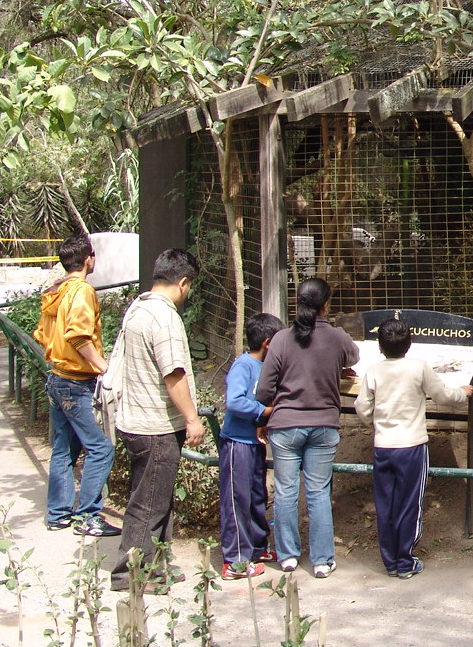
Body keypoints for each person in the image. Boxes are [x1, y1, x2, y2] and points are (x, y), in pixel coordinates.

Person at [109, 248, 205, 592]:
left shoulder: (139, 307)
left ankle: (157, 564)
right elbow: (174, 374)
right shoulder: (164, 318)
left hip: (135, 421)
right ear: (182, 282)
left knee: (154, 497)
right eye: (189, 286)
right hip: (155, 427)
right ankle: (131, 574)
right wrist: (192, 419)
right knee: (148, 503)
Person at [255, 277, 359, 579]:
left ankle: (287, 556)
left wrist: (263, 420)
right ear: (326, 305)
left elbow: (264, 389)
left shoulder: (282, 340)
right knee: (318, 492)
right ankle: (323, 560)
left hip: (285, 427)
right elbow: (354, 356)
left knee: (286, 491)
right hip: (324, 425)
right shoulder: (338, 337)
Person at [354, 315, 472, 579]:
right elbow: (442, 395)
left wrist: (375, 423)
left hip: (383, 446)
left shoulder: (373, 371)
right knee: (410, 503)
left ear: (380, 346)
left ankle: (390, 561)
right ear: (409, 343)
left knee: (385, 504)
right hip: (412, 446)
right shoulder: (419, 367)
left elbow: (362, 407)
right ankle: (406, 561)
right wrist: (463, 393)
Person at [34, 235, 120, 536]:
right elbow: (79, 335)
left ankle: (58, 513)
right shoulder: (81, 291)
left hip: (57, 376)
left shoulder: (55, 291)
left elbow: (42, 335)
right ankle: (88, 516)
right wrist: (103, 366)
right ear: (88, 259)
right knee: (100, 449)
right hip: (74, 382)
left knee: (64, 447)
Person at [218, 312, 283, 580]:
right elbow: (234, 401)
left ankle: (257, 547)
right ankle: (234, 560)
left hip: (255, 443)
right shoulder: (243, 366)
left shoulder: (265, 368)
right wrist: (265, 411)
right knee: (237, 500)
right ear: (268, 343)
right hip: (237, 443)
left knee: (257, 496)